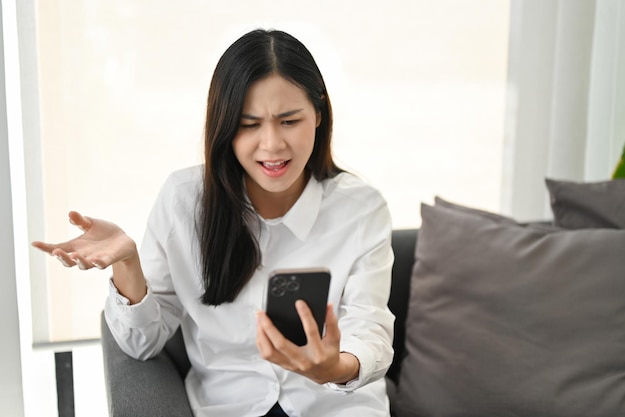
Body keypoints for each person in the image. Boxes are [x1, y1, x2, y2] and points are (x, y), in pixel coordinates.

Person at [32, 29, 395, 417]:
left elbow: (369, 325)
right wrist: (127, 263)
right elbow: (142, 344)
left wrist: (335, 368)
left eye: (289, 120)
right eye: (249, 124)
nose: (271, 144)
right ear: (224, 126)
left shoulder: (361, 208)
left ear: (318, 113)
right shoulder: (183, 200)